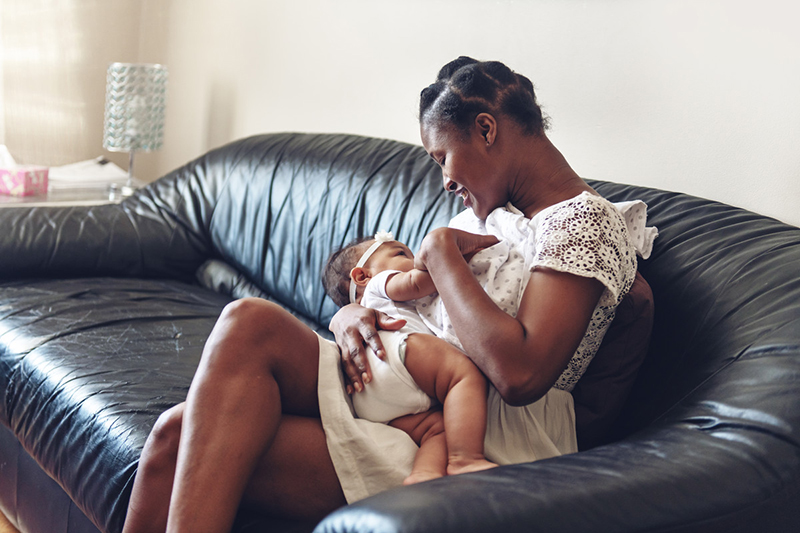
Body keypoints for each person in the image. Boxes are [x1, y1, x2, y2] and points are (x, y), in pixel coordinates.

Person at [122, 56, 656, 533]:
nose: (444, 180)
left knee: (182, 433)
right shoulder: (494, 215)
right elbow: (409, 292)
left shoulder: (582, 223)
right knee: (197, 396)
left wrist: (443, 252)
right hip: (409, 389)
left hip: (477, 435)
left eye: (441, 157)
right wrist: (351, 312)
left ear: (487, 129)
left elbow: (519, 375)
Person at [322, 230, 497, 485]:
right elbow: (421, 281)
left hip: (369, 394)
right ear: (362, 275)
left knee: (437, 428)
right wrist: (451, 257)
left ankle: (423, 475)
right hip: (393, 353)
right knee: (463, 374)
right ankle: (466, 458)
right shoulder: (379, 283)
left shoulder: (373, 295)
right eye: (402, 253)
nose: (415, 260)